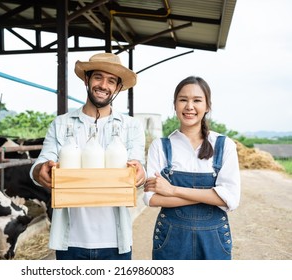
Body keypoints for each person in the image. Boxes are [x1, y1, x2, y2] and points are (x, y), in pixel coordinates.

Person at [30, 52, 146, 260]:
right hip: (71, 240)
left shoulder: (131, 126)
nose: (103, 85)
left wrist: (139, 173)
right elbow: (41, 163)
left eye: (111, 81)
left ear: (118, 87)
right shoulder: (62, 124)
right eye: (98, 77)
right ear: (87, 79)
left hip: (116, 240)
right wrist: (42, 171)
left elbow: (139, 167)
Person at [143, 76, 241, 260]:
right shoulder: (160, 146)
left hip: (213, 240)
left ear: (207, 106)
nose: (189, 106)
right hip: (171, 239)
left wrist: (172, 190)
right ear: (174, 105)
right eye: (183, 100)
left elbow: (232, 199)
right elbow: (152, 199)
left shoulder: (224, 145)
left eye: (197, 100)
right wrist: (210, 196)